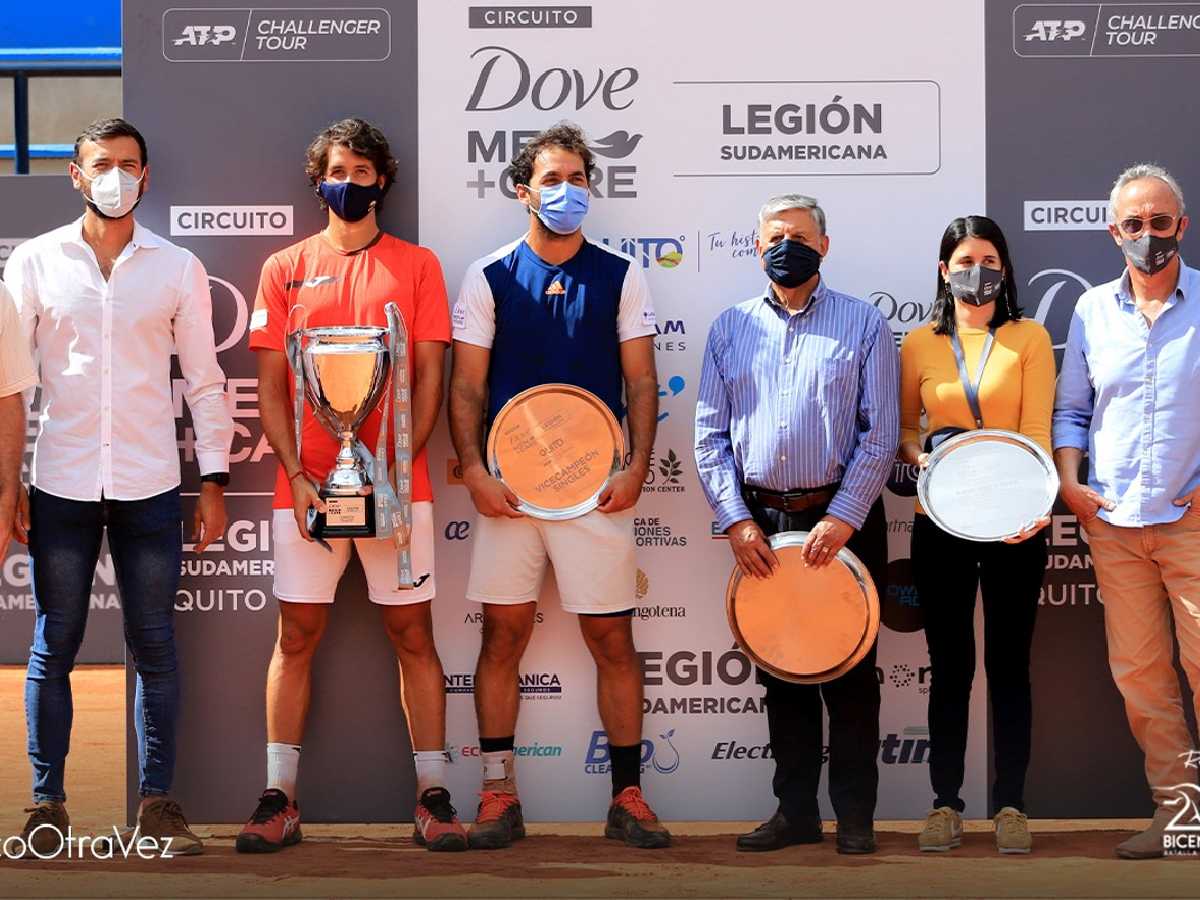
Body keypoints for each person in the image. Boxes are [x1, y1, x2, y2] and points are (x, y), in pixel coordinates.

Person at [5, 117, 233, 856]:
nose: (116, 176)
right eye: (101, 164)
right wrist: (8, 484)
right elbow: (10, 385)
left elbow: (204, 381)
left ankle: (157, 805)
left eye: (129, 164)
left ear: (146, 175)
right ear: (75, 175)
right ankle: (47, 806)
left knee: (155, 645)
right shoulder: (34, 263)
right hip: (62, 482)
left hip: (150, 484)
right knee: (55, 645)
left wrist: (215, 481)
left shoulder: (177, 266)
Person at [240, 118, 465, 853]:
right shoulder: (284, 268)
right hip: (306, 486)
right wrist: (300, 474)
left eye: (364, 172)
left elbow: (431, 375)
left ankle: (433, 795)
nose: (350, 182)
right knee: (297, 636)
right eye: (339, 169)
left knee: (412, 634)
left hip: (402, 487)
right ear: (319, 178)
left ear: (382, 181)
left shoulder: (418, 266)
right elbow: (271, 386)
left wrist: (398, 474)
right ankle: (280, 798)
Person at [449, 122, 668, 849]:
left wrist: (636, 465)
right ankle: (497, 795)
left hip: (595, 489)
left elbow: (640, 376)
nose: (567, 191)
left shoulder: (621, 273)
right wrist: (476, 470)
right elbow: (466, 390)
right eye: (552, 179)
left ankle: (628, 797)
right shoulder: (487, 276)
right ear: (523, 191)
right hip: (510, 493)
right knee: (502, 637)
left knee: (612, 638)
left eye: (577, 178)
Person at [695, 193, 898, 855]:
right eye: (776, 236)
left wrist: (843, 517)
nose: (788, 246)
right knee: (781, 674)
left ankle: (856, 819)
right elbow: (708, 437)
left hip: (845, 519)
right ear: (757, 248)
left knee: (851, 677)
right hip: (761, 522)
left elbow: (881, 436)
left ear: (825, 245)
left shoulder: (864, 324)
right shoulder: (729, 328)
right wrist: (735, 521)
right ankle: (796, 814)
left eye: (802, 236)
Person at [1054, 163, 1200, 860]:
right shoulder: (1089, 311)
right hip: (1113, 526)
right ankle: (1180, 820)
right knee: (1142, 678)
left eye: (1160, 222)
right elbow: (1073, 411)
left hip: (1193, 523)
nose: (1149, 236)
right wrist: (1071, 480)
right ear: (1114, 233)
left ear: (1183, 226)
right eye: (1134, 225)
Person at [898, 215, 1054, 854]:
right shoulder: (917, 343)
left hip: (1015, 524)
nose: (978, 271)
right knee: (951, 666)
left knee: (1009, 665)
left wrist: (1037, 507)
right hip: (942, 523)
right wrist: (922, 457)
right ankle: (945, 804)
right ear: (944, 270)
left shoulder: (1031, 338)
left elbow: (1039, 433)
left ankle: (1013, 805)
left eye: (990, 260)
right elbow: (905, 433)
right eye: (966, 259)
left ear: (1005, 270)